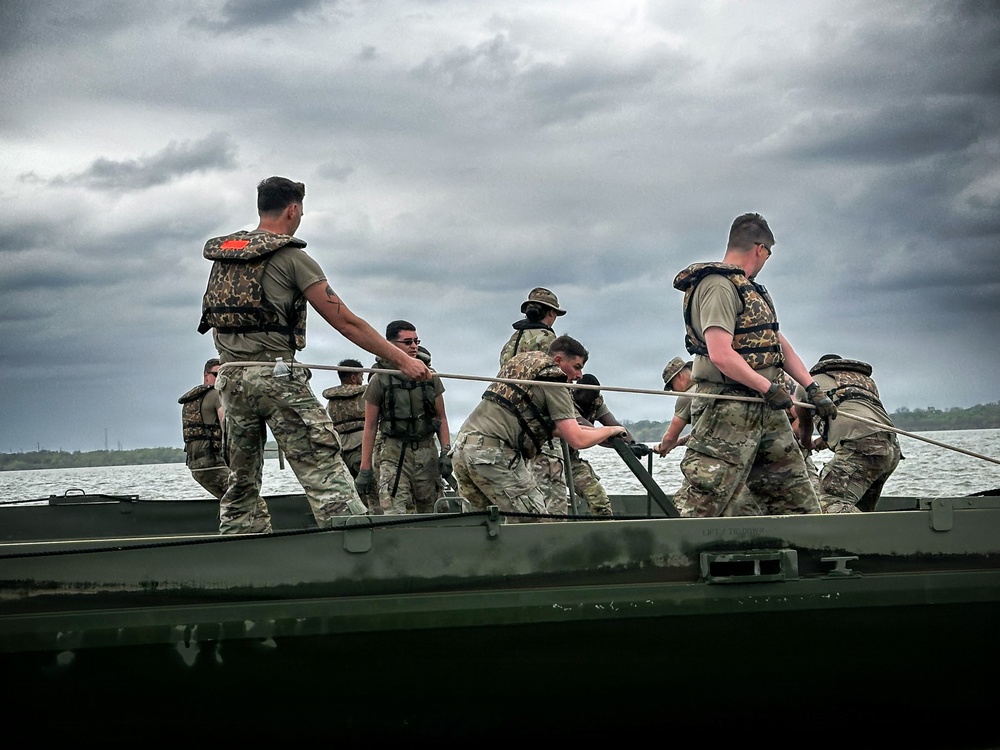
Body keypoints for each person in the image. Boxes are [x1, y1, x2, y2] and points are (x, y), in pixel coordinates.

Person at [198, 176, 430, 534]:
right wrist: (404, 361)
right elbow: (347, 323)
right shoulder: (293, 258)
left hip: (230, 378)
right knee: (322, 467)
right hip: (277, 379)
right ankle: (358, 544)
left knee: (241, 478)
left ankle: (240, 545)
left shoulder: (225, 258)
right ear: (293, 210)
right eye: (301, 211)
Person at [669, 212, 836, 517]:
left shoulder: (750, 289)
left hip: (765, 410)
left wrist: (812, 388)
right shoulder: (718, 286)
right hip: (726, 407)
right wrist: (769, 388)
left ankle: (811, 550)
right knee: (704, 500)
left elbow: (777, 344)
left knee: (794, 496)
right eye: (768, 254)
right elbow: (720, 353)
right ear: (761, 249)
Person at [452, 335, 627, 523]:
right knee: (537, 523)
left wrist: (597, 434)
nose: (579, 376)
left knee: (484, 526)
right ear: (558, 360)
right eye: (576, 367)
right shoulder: (553, 379)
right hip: (492, 455)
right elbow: (578, 439)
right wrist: (612, 430)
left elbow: (557, 429)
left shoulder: (521, 364)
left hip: (462, 450)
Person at [355, 321, 451, 514]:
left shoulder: (431, 377)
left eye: (416, 341)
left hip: (426, 450)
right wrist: (365, 469)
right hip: (394, 452)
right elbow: (371, 426)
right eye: (407, 342)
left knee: (433, 510)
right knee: (394, 510)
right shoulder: (380, 379)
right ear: (391, 345)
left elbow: (442, 418)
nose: (414, 346)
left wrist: (446, 453)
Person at [793, 354, 902, 513]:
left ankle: (846, 536)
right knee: (861, 508)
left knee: (828, 500)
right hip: (891, 449)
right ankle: (872, 536)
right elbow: (859, 421)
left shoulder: (810, 384)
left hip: (863, 448)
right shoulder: (864, 382)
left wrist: (807, 443)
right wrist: (822, 441)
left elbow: (804, 424)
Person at [499, 287, 571, 515]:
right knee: (553, 495)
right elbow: (555, 382)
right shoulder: (549, 340)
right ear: (549, 314)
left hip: (510, 424)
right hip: (541, 426)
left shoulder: (511, 342)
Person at [568, 373, 634, 517]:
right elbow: (589, 432)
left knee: (599, 500)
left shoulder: (596, 401)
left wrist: (633, 444)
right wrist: (611, 437)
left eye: (594, 398)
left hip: (571, 459)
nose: (591, 402)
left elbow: (614, 424)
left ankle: (606, 533)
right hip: (548, 457)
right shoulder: (566, 400)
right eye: (588, 398)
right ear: (577, 392)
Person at [178, 358, 230, 499]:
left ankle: (229, 518)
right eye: (217, 375)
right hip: (215, 464)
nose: (221, 379)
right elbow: (227, 426)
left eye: (225, 376)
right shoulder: (216, 395)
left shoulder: (192, 399)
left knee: (229, 501)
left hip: (196, 467)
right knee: (248, 500)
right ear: (206, 375)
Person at [322, 359, 367, 479]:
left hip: (341, 450)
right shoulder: (365, 396)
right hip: (362, 449)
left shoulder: (331, 401)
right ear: (353, 378)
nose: (362, 380)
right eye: (361, 376)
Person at [499, 287, 566, 366]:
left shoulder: (515, 336)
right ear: (551, 313)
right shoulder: (547, 336)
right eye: (556, 313)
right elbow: (553, 365)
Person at [654, 357, 696, 457]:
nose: (674, 391)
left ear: (680, 376)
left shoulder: (686, 397)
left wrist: (661, 447)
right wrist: (677, 443)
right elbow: (703, 432)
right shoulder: (709, 386)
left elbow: (669, 438)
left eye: (672, 386)